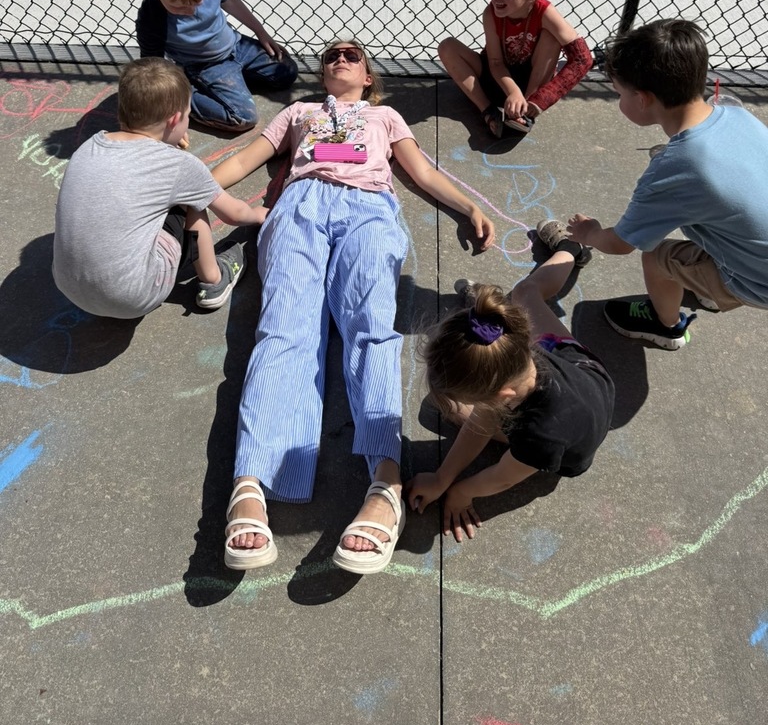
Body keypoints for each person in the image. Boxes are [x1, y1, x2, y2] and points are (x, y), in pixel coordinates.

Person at [212, 38, 495, 574]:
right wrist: (183, 186)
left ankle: (385, 479)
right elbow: (246, 159)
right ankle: (251, 479)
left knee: (371, 330)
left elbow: (422, 173)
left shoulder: (385, 117)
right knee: (284, 331)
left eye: (352, 55)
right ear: (323, 75)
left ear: (368, 77)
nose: (339, 59)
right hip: (300, 203)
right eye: (331, 55)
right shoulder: (297, 113)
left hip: (367, 209)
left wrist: (468, 206)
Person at [406, 220, 613, 542]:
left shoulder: (541, 438)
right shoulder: (516, 348)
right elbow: (487, 412)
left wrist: (460, 491)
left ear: (503, 396)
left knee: (454, 411)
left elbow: (502, 478)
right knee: (525, 292)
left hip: (569, 440)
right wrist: (441, 476)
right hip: (581, 366)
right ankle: (570, 250)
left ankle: (569, 252)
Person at [567, 19, 768, 350]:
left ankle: (668, 326)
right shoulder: (736, 114)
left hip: (757, 280)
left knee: (657, 258)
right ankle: (712, 289)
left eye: (619, 94)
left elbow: (622, 243)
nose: (619, 102)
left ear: (643, 99)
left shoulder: (675, 169)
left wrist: (590, 233)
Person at [53, 59, 267, 318]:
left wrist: (166, 140)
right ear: (175, 119)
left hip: (68, 288)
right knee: (192, 201)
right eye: (187, 116)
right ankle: (214, 279)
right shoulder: (179, 165)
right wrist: (261, 214)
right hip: (132, 296)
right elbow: (233, 214)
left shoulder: (89, 147)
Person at [137, 0, 298, 133]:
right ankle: (185, 93)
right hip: (206, 65)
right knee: (243, 118)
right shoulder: (152, 18)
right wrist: (169, 106)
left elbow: (229, 0)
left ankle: (232, 81)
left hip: (237, 47)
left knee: (287, 72)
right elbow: (153, 67)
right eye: (178, 7)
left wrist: (261, 32)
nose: (191, 10)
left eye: (197, 1)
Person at [437, 0, 593, 138]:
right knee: (447, 47)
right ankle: (488, 111)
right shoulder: (491, 13)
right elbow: (495, 63)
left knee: (552, 35)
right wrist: (512, 91)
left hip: (531, 85)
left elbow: (582, 59)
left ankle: (525, 112)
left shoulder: (545, 13)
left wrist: (542, 98)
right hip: (498, 79)